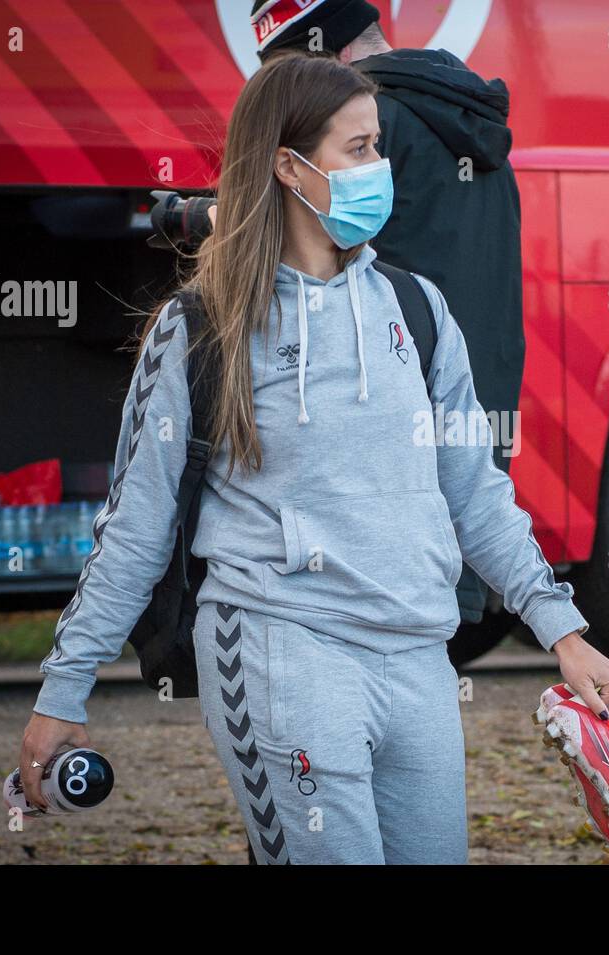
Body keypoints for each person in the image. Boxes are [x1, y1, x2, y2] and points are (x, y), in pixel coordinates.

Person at [18, 53, 609, 865]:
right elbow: (135, 527)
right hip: (280, 650)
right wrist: (65, 689)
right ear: (288, 166)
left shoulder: (420, 309)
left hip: (418, 657)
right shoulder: (201, 327)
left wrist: (563, 628)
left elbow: (475, 492)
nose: (382, 170)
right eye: (360, 149)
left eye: (380, 147)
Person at [207, 0, 525, 628]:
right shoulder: (470, 122)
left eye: (298, 73)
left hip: (386, 422)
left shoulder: (369, 129)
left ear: (334, 56)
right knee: (432, 628)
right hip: (465, 400)